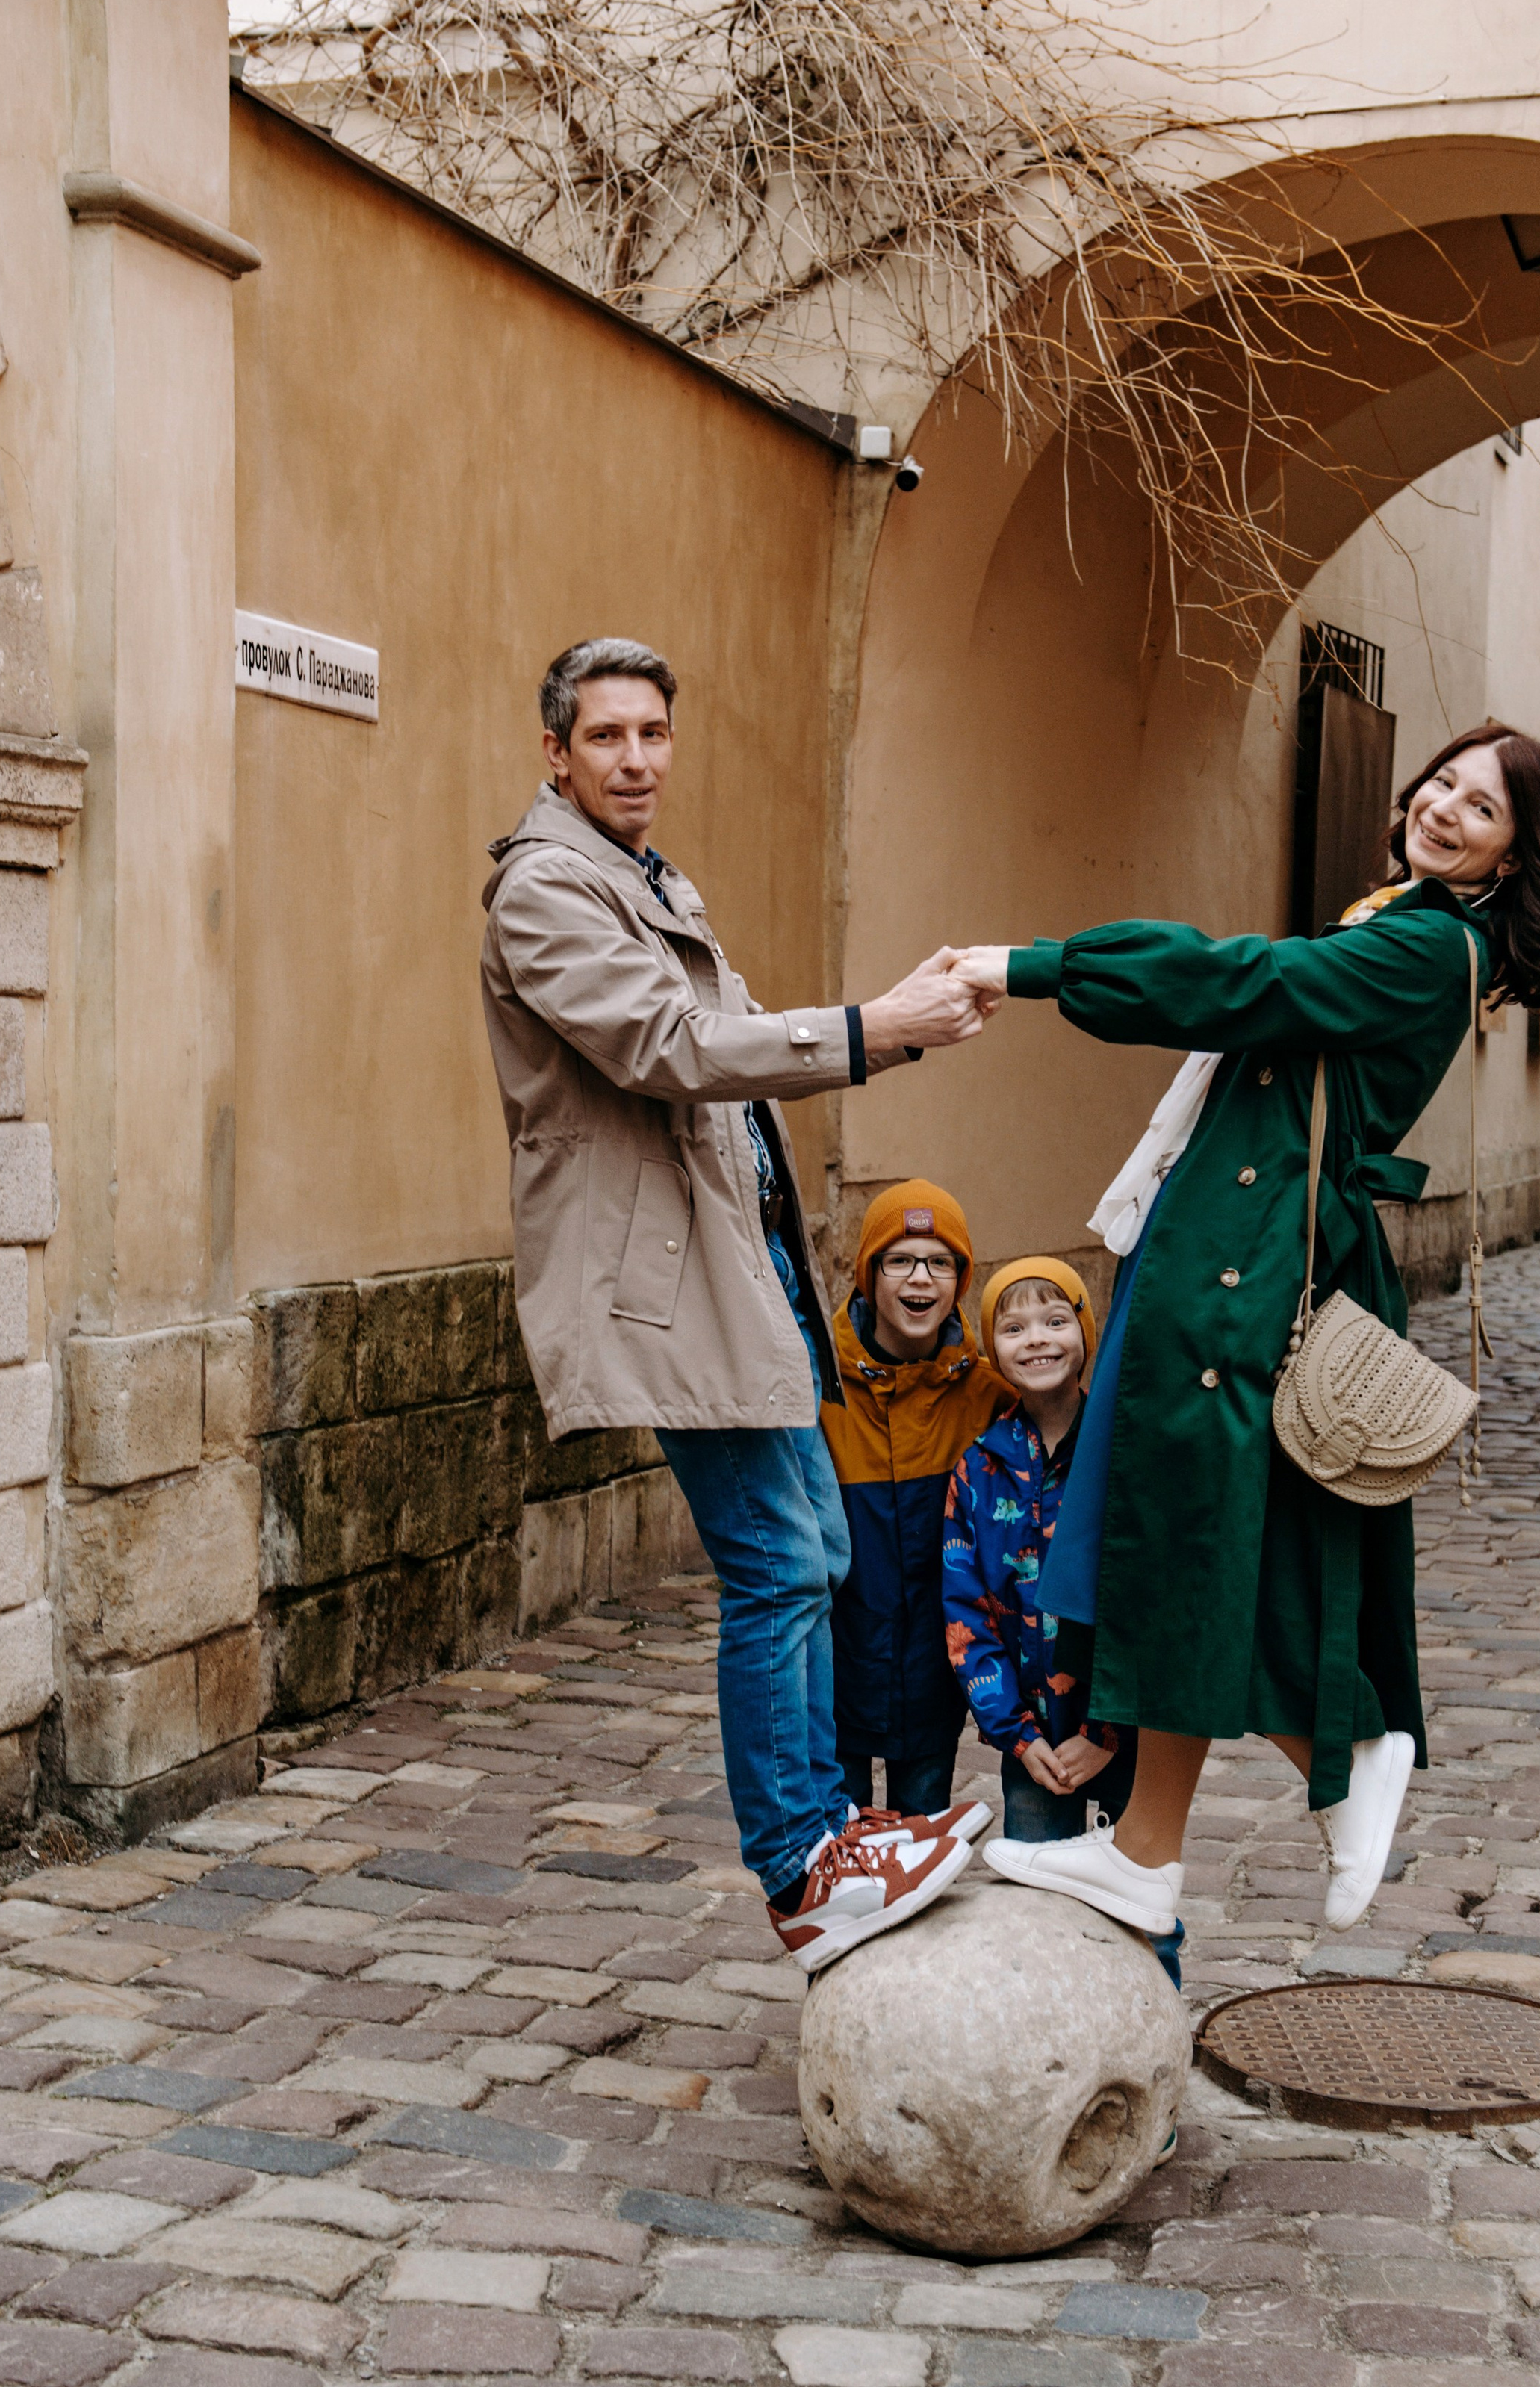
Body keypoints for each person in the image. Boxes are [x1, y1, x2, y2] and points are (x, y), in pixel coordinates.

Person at [948, 721, 1540, 1947]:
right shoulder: (1397, 913)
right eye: (1444, 780)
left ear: (1514, 857)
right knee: (1177, 1551)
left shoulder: (1427, 944)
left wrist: (1027, 965)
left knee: (1192, 1549)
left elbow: (1235, 981)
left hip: (1247, 1278)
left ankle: (1340, 1750)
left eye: (1484, 807)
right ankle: (1157, 1845)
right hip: (1216, 1255)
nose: (1446, 806)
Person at [480, 636, 989, 1973]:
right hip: (673, 1291)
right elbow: (677, 1047)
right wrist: (880, 1026)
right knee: (778, 1561)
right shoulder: (547, 892)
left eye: (653, 732)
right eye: (606, 736)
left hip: (745, 1275)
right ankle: (803, 1862)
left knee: (815, 1550)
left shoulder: (646, 878)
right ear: (556, 752)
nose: (636, 757)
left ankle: (833, 1836)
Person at [942, 1256, 1184, 1987]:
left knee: (1141, 1907)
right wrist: (1015, 1736)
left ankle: (1151, 2029)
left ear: (1085, 1331)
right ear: (991, 1347)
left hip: (1123, 1738)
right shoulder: (979, 1468)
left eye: (1055, 1320)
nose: (1037, 1339)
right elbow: (966, 1613)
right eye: (1013, 1327)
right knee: (1037, 1911)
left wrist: (1104, 1735)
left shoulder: (1125, 1454)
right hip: (1033, 1748)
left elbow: (1153, 1598)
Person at [821, 1181, 1007, 1824]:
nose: (919, 1278)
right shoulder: (816, 1390)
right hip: (837, 1669)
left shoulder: (990, 1398)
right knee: (836, 1851)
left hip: (935, 1673)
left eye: (940, 1261)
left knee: (919, 1838)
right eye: (899, 1260)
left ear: (961, 1278)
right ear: (868, 1274)